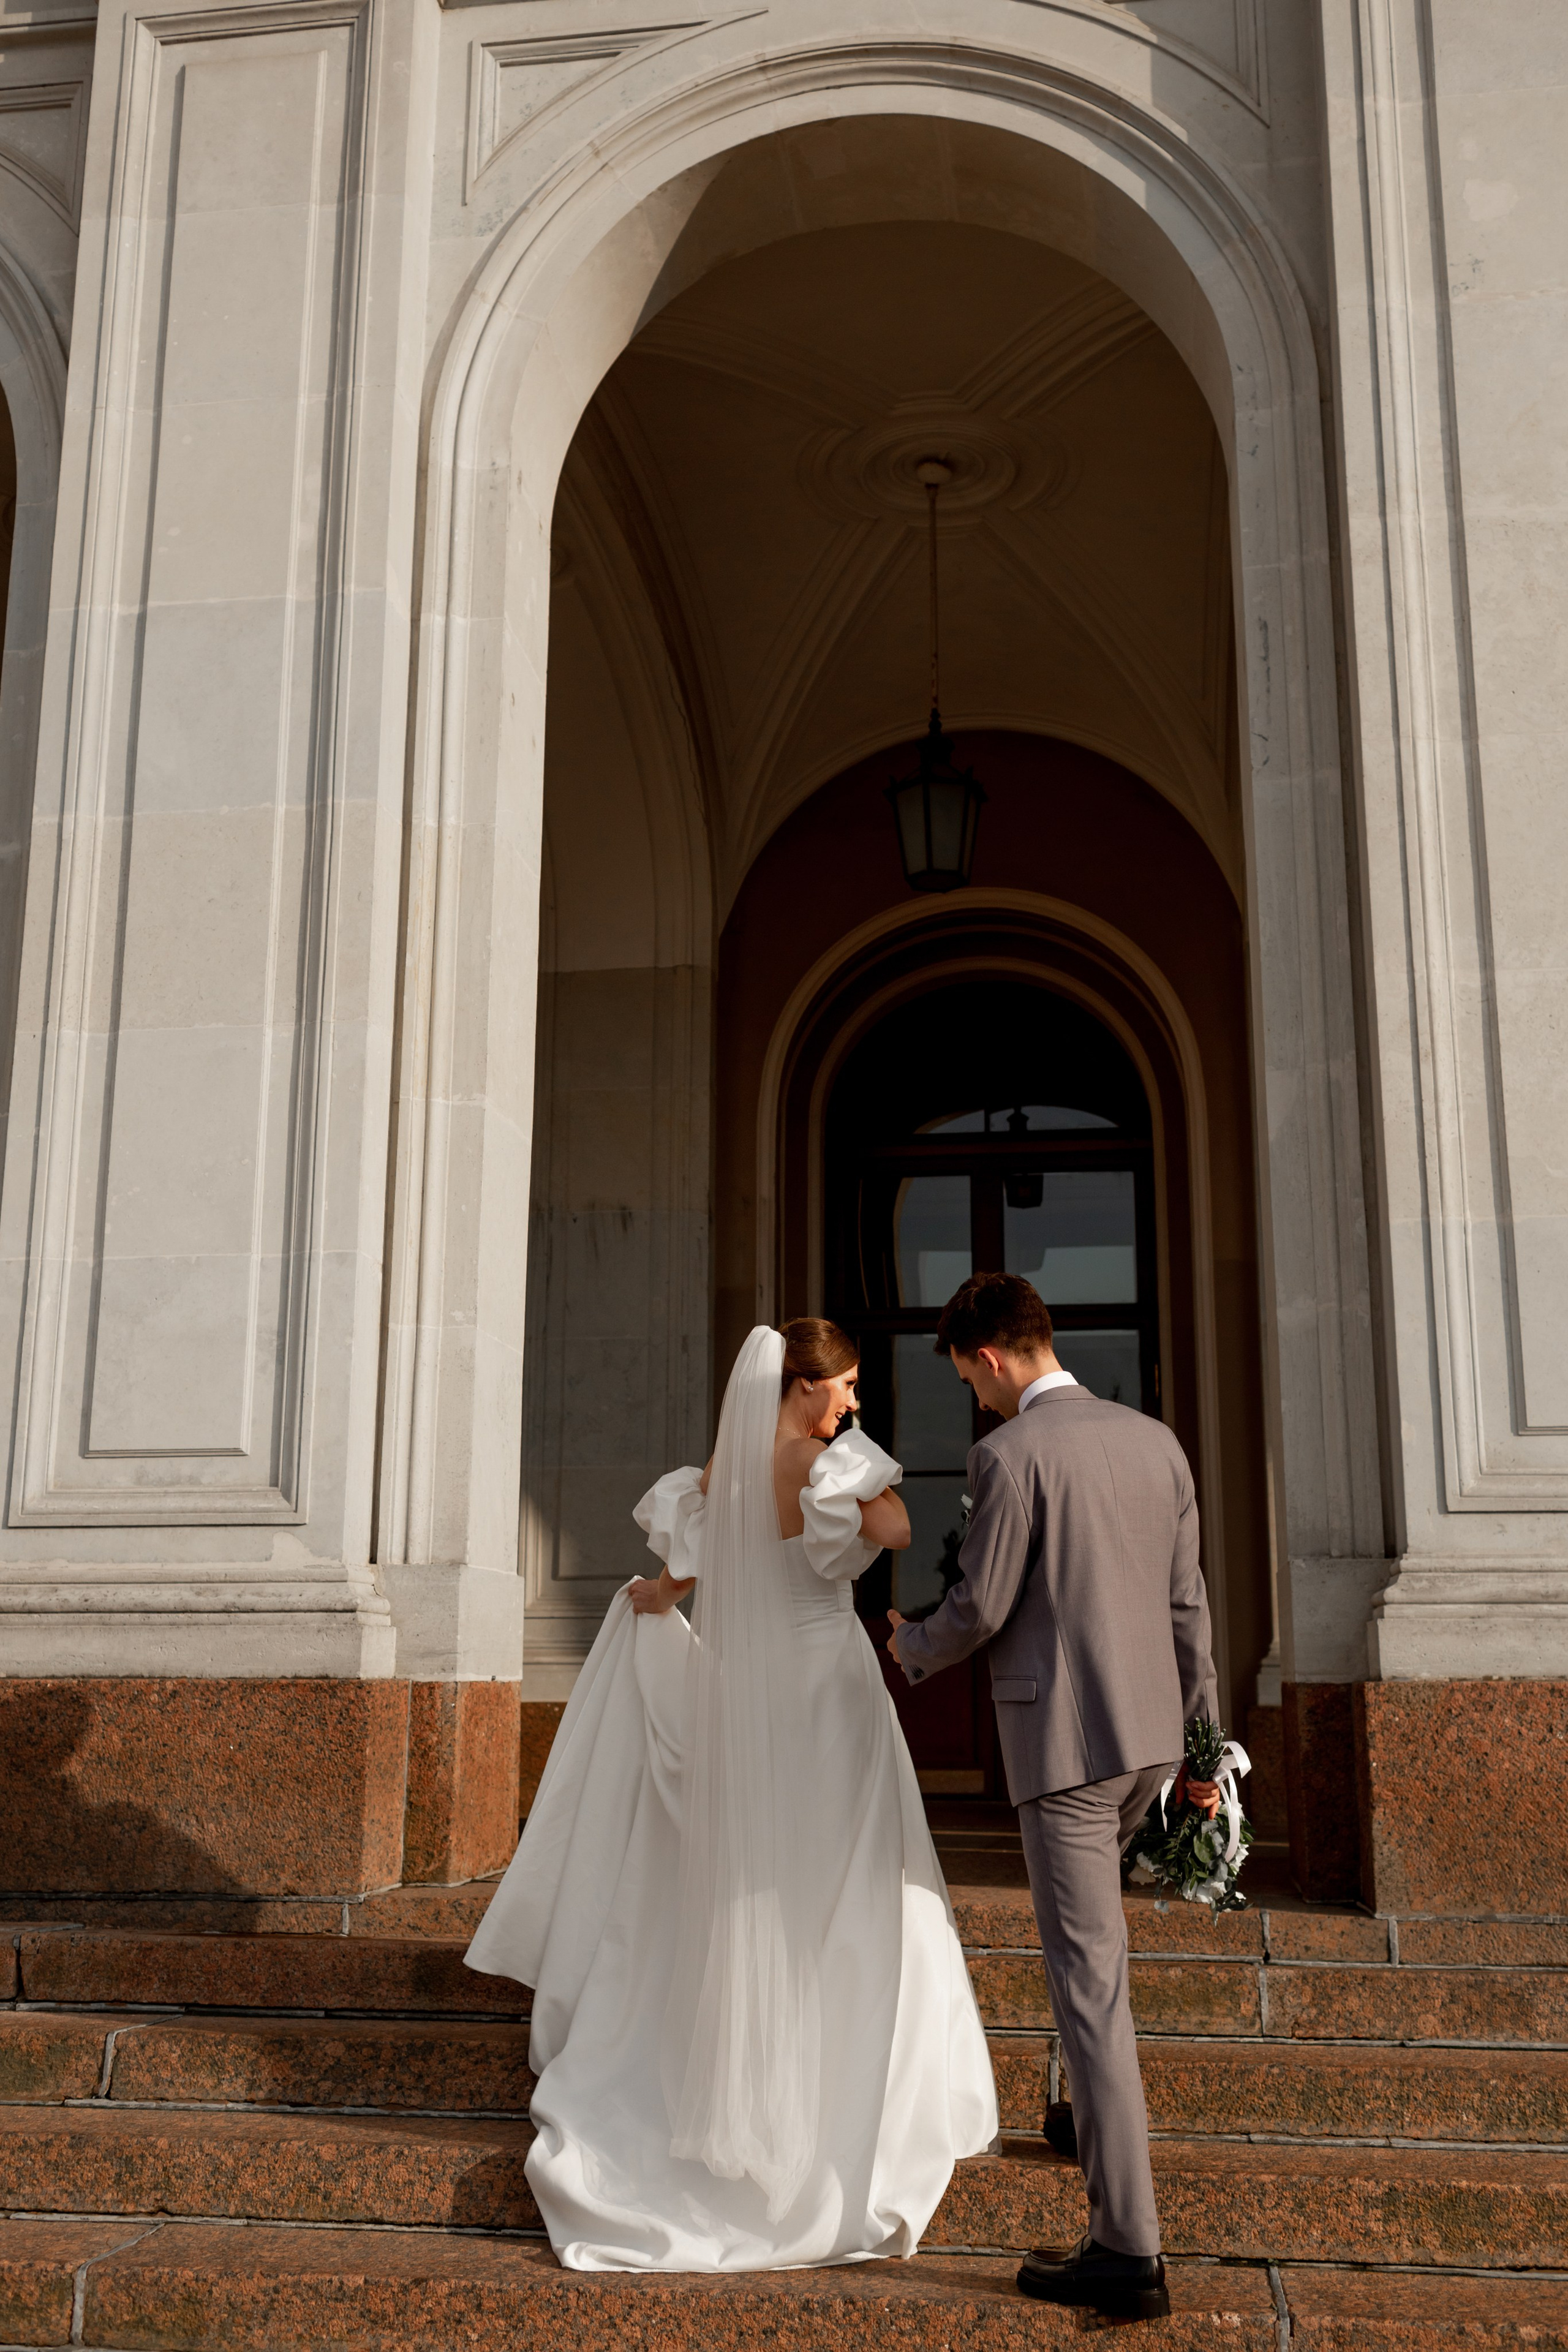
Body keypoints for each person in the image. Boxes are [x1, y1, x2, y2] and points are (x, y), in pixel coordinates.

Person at [467, 1318, 997, 2271]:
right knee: (844, 1873)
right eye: (845, 1388)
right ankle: (852, 2068)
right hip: (829, 1686)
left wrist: (660, 1598)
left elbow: (679, 1579)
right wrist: (854, 1475)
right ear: (803, 1387)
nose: (854, 1405)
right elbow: (900, 1532)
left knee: (750, 1869)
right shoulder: (834, 1466)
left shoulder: (718, 1477)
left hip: (751, 1691)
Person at [888, 1272, 1221, 2323]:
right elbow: (1187, 1605)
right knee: (1097, 1955)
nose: (970, 1400)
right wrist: (1205, 1748)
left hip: (1067, 1751)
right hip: (1149, 1748)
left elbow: (982, 1601)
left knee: (1090, 1982)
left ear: (990, 1357)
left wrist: (912, 1646)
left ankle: (1127, 2248)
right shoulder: (1155, 1441)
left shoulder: (1010, 1453)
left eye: (964, 1377)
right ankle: (1084, 2112)